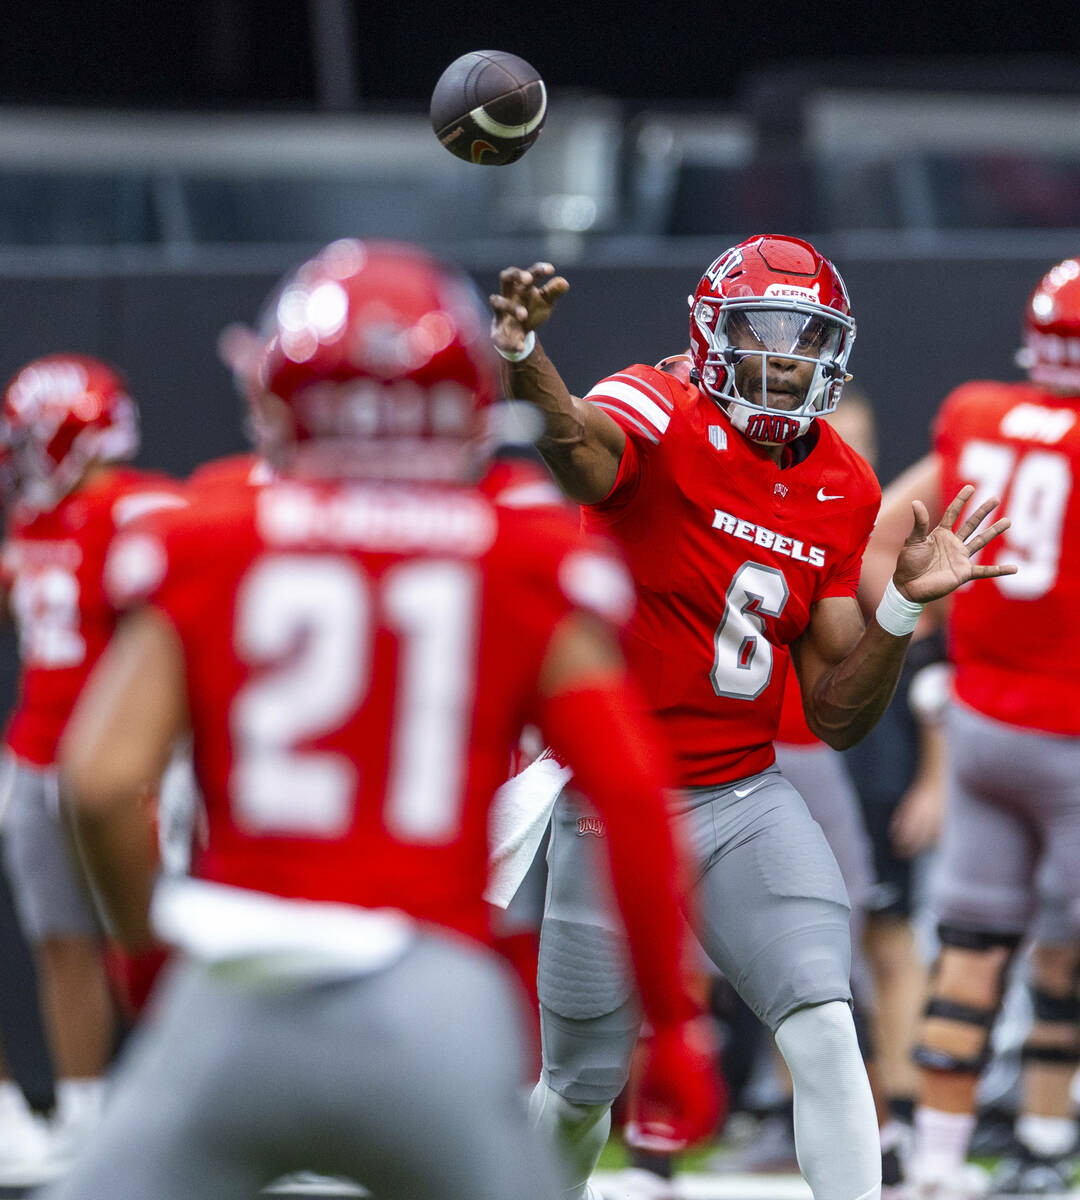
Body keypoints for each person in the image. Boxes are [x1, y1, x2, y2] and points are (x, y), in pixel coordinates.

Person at [39, 239, 721, 1200]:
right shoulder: (515, 551)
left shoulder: (208, 532)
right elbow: (632, 795)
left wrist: (149, 953)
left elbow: (102, 782)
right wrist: (676, 1022)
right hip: (431, 1002)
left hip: (237, 991)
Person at [489, 234, 1015, 1200]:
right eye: (764, 336)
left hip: (742, 792)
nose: (786, 361)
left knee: (823, 1025)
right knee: (578, 1090)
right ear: (709, 330)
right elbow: (575, 451)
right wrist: (526, 362)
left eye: (807, 340)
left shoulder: (843, 483)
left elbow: (840, 714)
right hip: (614, 798)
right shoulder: (654, 405)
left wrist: (900, 609)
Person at [862, 255, 1080, 1199]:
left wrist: (905, 633)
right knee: (1062, 955)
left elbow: (882, 534)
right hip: (1069, 735)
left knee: (970, 950)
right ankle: (1039, 1146)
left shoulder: (977, 414)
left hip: (983, 726)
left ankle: (940, 1166)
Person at [0, 355, 184, 1169]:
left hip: (119, 764)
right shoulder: (38, 520)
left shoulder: (137, 507)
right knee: (62, 942)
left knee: (148, 942)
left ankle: (185, 1113)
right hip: (35, 755)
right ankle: (81, 1116)